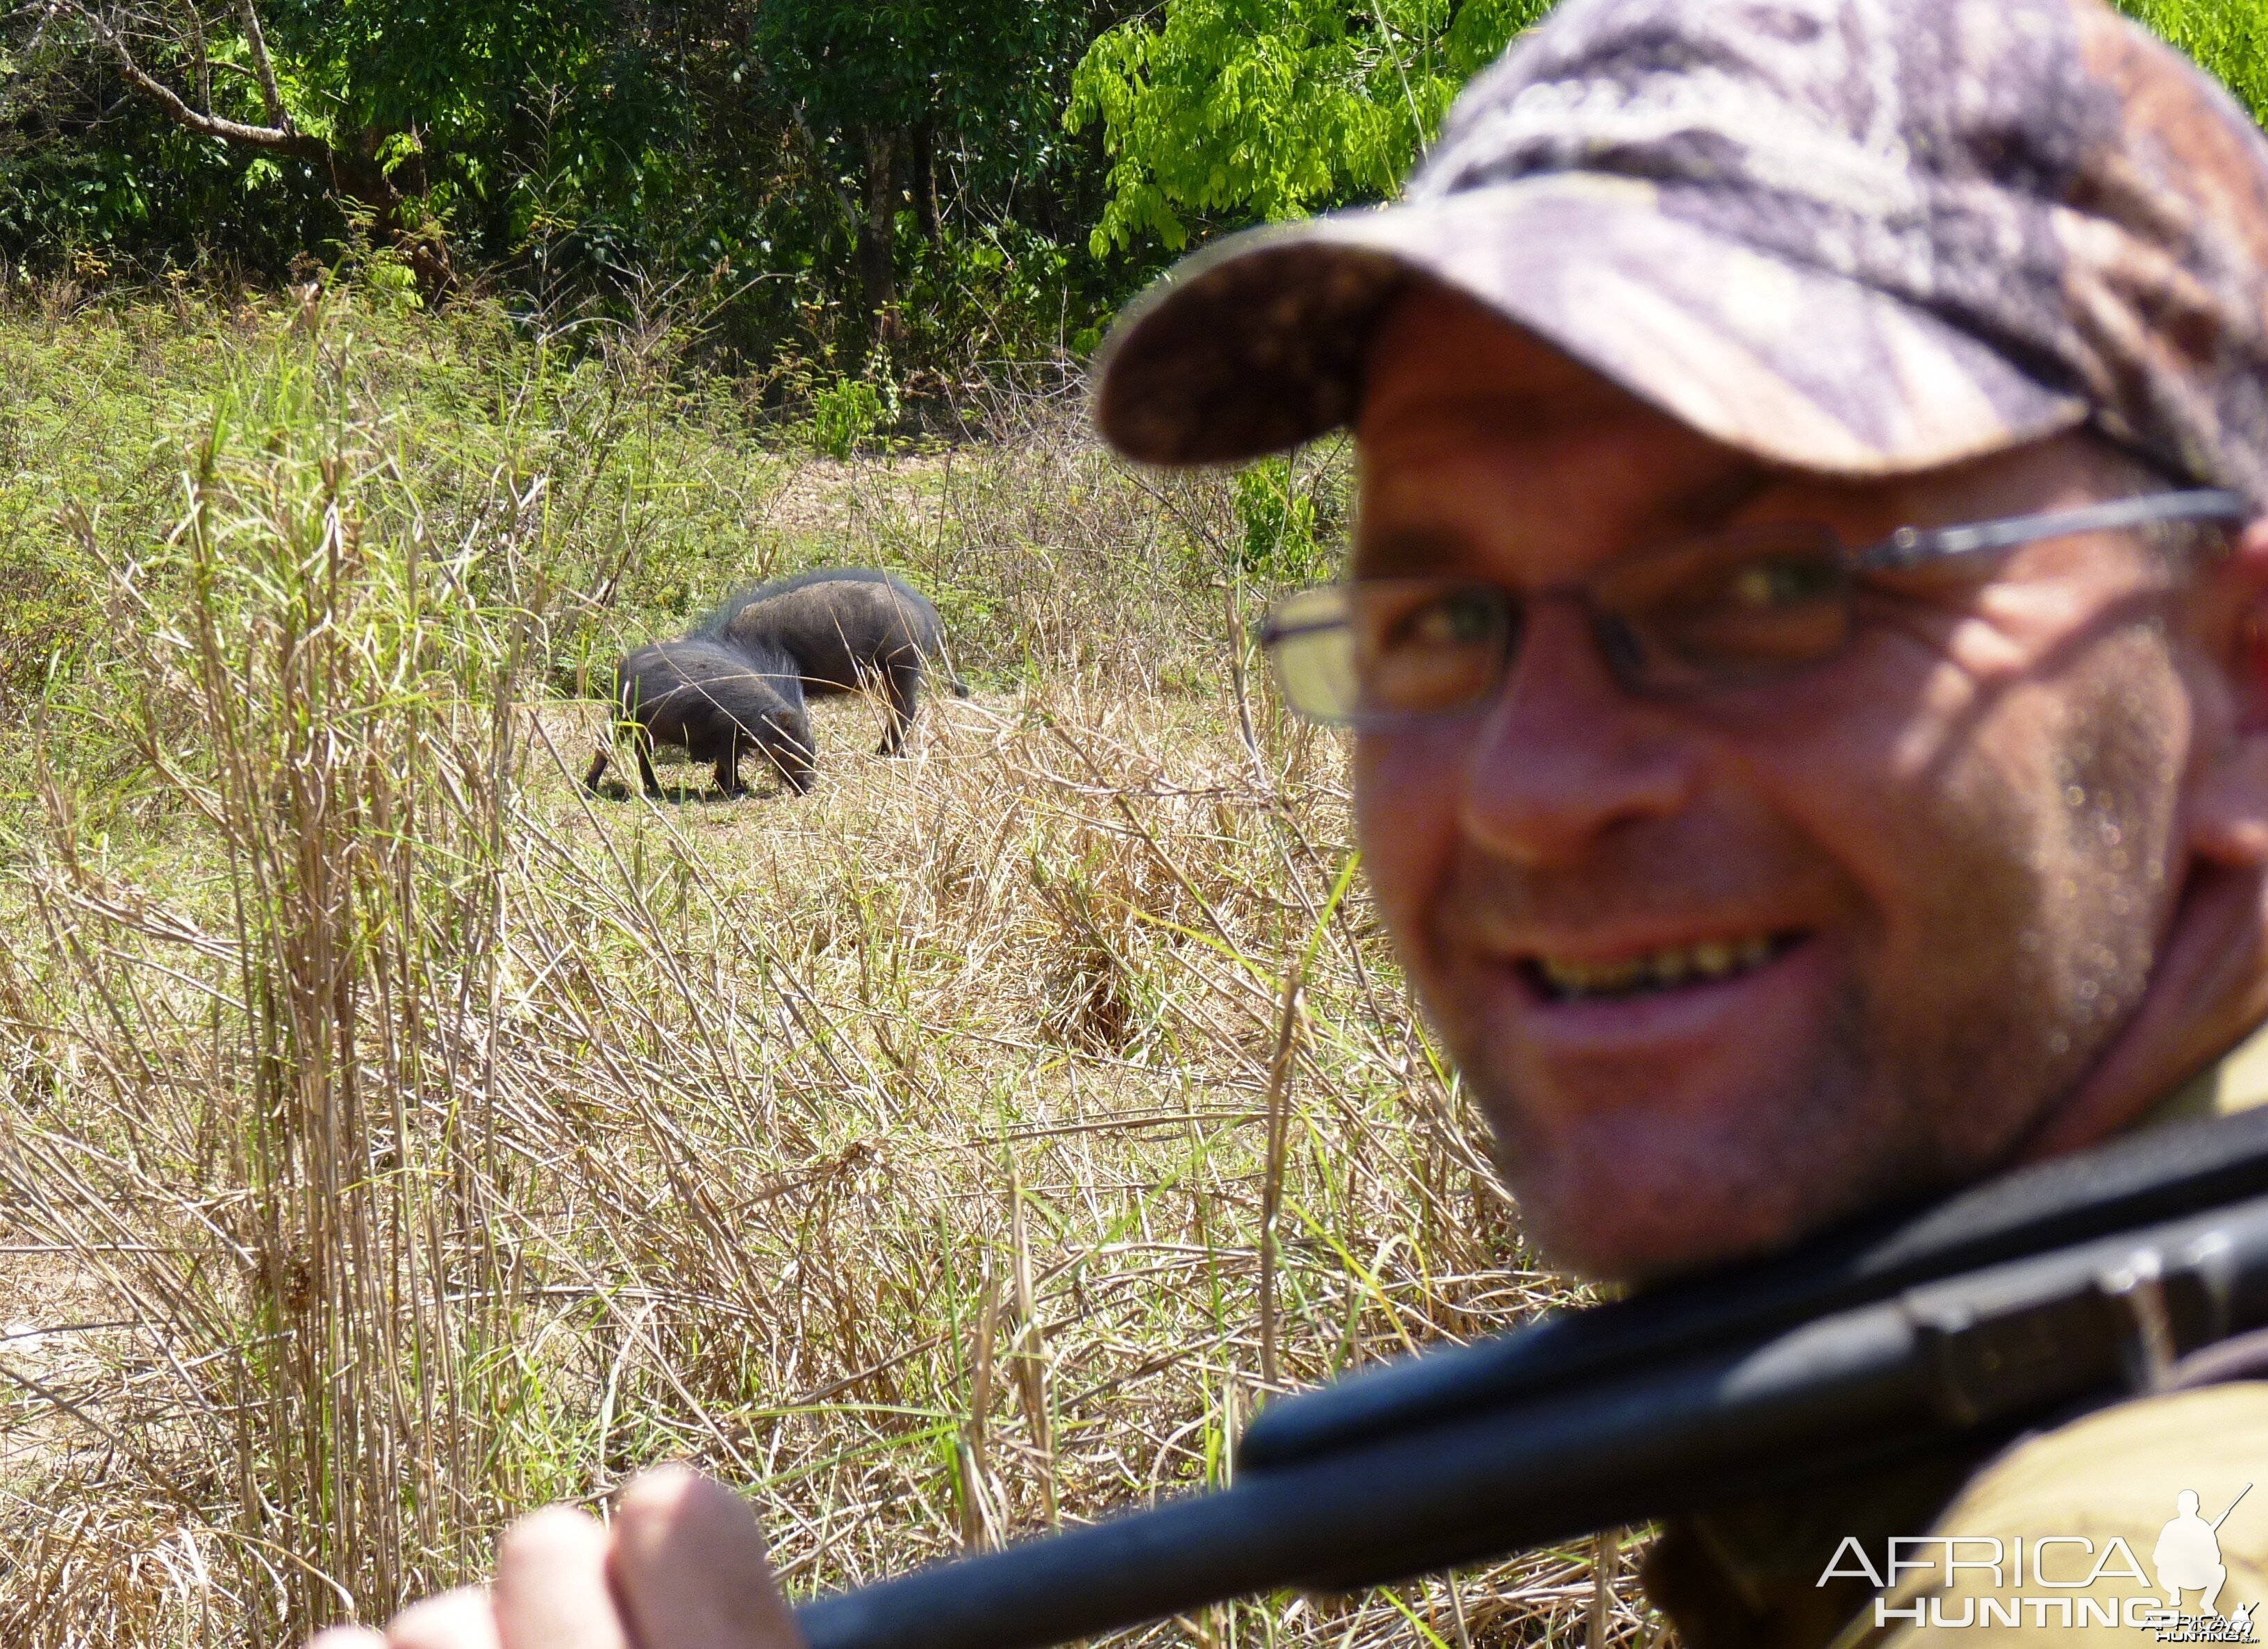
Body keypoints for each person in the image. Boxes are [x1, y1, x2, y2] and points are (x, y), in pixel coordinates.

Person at [322, 0, 2268, 1645]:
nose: (1522, 788)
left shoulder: (2143, 1548)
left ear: (2239, 682)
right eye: (1435, 622)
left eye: (1769, 588)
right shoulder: (1953, 1367)